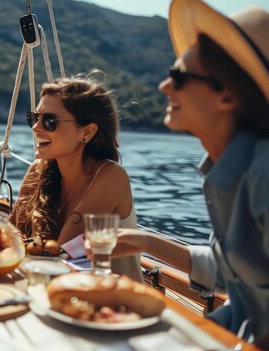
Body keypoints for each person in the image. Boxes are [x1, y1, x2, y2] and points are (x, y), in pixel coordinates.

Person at [97, 0, 269, 347]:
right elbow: (232, 272)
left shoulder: (263, 173)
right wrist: (147, 242)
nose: (164, 86)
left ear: (228, 96)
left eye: (178, 76)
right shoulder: (226, 169)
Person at [9, 74, 142, 282]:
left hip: (116, 303)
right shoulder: (38, 170)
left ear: (87, 132)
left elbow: (57, 257)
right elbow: (11, 235)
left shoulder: (110, 177)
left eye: (49, 121)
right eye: (34, 118)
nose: (36, 128)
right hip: (54, 291)